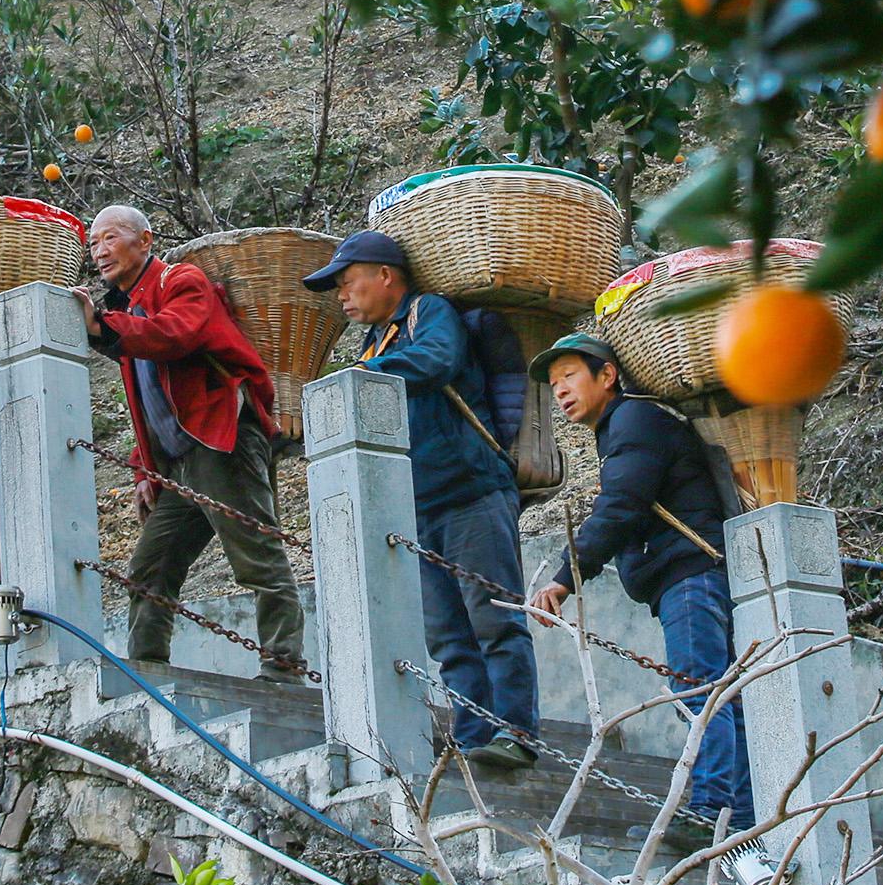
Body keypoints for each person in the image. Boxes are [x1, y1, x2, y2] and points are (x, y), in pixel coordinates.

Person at [307, 228, 540, 768]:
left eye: (347, 282)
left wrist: (369, 374)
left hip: (472, 492)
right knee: (448, 636)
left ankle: (516, 734)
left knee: (495, 618)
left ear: (385, 276)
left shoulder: (427, 313)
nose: (342, 295)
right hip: (418, 505)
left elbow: (436, 360)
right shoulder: (374, 342)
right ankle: (472, 736)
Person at [525, 331, 757, 834]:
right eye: (553, 383)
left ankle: (712, 811)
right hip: (695, 572)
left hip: (689, 576)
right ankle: (738, 818)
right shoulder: (625, 425)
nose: (560, 390)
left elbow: (620, 507)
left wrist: (567, 579)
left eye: (569, 376)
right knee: (718, 694)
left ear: (607, 375)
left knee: (701, 692)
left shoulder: (633, 419)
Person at [75, 203, 307, 675]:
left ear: (145, 241)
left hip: (221, 442)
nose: (100, 251)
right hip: (182, 458)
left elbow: (173, 336)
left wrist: (102, 325)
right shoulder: (130, 307)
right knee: (151, 566)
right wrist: (145, 468)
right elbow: (153, 401)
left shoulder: (180, 282)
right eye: (94, 242)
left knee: (257, 557)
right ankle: (146, 669)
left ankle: (284, 671)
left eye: (111, 238)